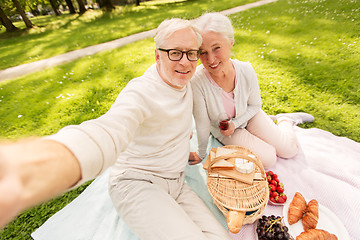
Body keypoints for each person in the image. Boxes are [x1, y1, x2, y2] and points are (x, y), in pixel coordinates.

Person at [0, 18, 231, 240]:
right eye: (175, 52)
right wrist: (46, 163)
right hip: (136, 184)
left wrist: (182, 149)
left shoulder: (186, 82)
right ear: (157, 55)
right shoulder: (140, 93)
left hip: (176, 182)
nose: (185, 62)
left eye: (191, 53)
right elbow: (108, 132)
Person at [191, 13, 314, 168]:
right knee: (268, 159)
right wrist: (202, 153)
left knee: (289, 151)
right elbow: (202, 123)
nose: (211, 59)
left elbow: (255, 105)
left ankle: (285, 120)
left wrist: (236, 123)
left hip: (249, 116)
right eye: (203, 52)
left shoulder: (246, 70)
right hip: (225, 131)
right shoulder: (197, 81)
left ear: (230, 43)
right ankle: (268, 128)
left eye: (216, 48)